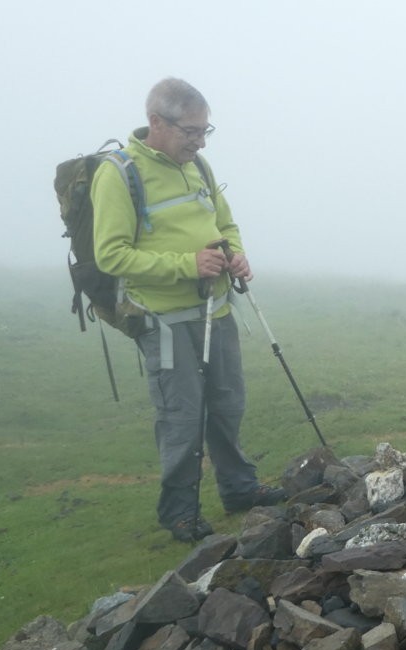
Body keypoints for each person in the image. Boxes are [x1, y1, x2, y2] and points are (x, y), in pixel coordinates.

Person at [91, 78, 285, 542]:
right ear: (156, 121)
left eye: (205, 131)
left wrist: (234, 254)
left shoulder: (197, 163)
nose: (199, 141)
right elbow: (111, 255)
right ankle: (179, 512)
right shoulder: (119, 174)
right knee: (181, 416)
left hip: (216, 311)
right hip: (163, 321)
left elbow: (224, 222)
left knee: (227, 404)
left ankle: (239, 489)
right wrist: (188, 264)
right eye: (190, 131)